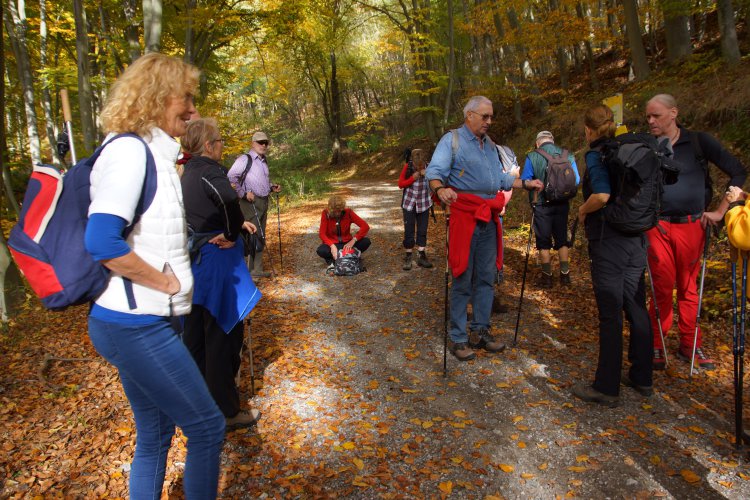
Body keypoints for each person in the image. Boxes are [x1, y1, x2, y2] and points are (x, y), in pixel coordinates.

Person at [83, 53, 225, 498]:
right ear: (159, 97)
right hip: (135, 324)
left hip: (139, 321)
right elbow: (102, 241)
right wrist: (166, 283)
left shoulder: (155, 155)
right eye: (186, 98)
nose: (192, 109)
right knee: (206, 427)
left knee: (156, 434)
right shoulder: (130, 153)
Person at [426, 95, 542, 361]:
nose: (489, 121)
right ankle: (458, 337)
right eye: (484, 116)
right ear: (469, 115)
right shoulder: (451, 140)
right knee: (462, 276)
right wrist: (441, 189)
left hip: (489, 217)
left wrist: (525, 184)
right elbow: (434, 172)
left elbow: (498, 179)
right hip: (465, 217)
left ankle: (480, 331)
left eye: (491, 116)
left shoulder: (489, 145)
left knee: (486, 278)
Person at [645, 94, 747, 371]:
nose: (651, 121)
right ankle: (657, 343)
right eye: (648, 117)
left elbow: (738, 172)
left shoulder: (700, 142)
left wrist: (720, 211)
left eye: (656, 115)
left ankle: (689, 344)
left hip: (692, 225)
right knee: (661, 286)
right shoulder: (647, 146)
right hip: (657, 226)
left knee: (689, 288)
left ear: (674, 112)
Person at [180, 118, 263, 429]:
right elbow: (229, 198)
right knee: (223, 337)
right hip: (216, 265)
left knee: (197, 337)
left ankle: (198, 404)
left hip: (193, 264)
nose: (222, 146)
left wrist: (235, 225)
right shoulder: (207, 168)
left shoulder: (186, 172)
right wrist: (231, 231)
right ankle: (226, 411)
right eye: (218, 141)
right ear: (207, 145)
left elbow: (201, 211)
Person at [572, 104, 653, 407]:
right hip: (637, 237)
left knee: (610, 313)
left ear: (588, 129)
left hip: (609, 241)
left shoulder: (596, 153)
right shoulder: (628, 149)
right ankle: (642, 377)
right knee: (635, 306)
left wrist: (582, 210)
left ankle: (606, 387)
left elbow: (602, 194)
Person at [520, 130, 580, 288]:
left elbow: (525, 181)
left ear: (537, 143)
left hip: (541, 204)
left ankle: (547, 277)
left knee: (543, 241)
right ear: (552, 141)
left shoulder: (532, 156)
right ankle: (565, 275)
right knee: (562, 239)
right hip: (562, 203)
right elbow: (577, 180)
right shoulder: (568, 154)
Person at [227, 131, 282, 278]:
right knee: (252, 235)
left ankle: (257, 270)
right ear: (253, 143)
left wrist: (271, 187)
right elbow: (231, 177)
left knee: (260, 235)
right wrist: (243, 193)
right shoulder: (245, 159)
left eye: (266, 142)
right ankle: (248, 272)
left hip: (263, 200)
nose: (263, 145)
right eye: (260, 142)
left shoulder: (263, 160)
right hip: (249, 202)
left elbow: (260, 181)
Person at [493, 143, 521, 313]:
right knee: (494, 252)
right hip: (493, 211)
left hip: (494, 211)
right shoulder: (505, 153)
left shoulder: (497, 153)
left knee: (492, 253)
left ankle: (489, 298)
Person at [398, 148, 433, 270]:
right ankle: (408, 256)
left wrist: (427, 174)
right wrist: (413, 177)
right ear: (413, 161)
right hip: (409, 203)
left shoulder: (430, 167)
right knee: (409, 230)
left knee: (422, 230)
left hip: (424, 203)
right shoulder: (408, 167)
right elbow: (400, 184)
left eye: (421, 165)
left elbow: (436, 182)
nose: (419, 167)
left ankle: (421, 255)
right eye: (417, 165)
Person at [317, 195, 371, 272]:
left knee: (366, 241)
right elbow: (322, 234)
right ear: (330, 209)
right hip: (334, 245)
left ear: (343, 208)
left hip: (347, 244)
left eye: (339, 211)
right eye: (335, 211)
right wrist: (332, 245)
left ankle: (343, 256)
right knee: (321, 250)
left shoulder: (348, 212)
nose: (337, 213)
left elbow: (365, 226)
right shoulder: (325, 213)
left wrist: (353, 240)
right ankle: (345, 257)